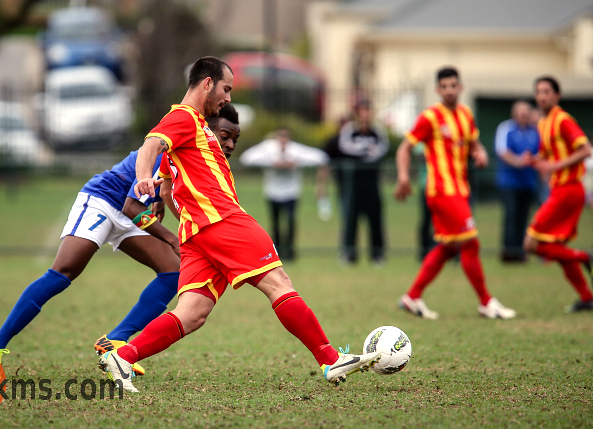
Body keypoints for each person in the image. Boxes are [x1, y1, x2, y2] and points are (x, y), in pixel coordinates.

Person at [98, 56, 382, 392]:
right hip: (222, 220)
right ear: (207, 83)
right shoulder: (184, 118)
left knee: (192, 313)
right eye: (226, 88)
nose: (229, 97)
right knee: (279, 282)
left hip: (196, 234)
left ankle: (124, 356)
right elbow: (151, 145)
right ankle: (331, 359)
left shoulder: (198, 125)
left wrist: (162, 193)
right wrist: (144, 177)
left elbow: (169, 178)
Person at [0, 104, 242, 379]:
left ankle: (114, 341)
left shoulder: (203, 159)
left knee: (172, 272)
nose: (230, 144)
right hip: (104, 202)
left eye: (235, 139)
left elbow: (166, 188)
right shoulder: (174, 144)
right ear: (205, 131)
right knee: (64, 272)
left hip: (134, 212)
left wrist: (160, 201)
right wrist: (173, 239)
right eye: (224, 136)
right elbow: (131, 204)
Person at [393, 66, 516, 320]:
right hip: (441, 190)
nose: (449, 90)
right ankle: (486, 302)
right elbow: (404, 148)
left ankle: (412, 297)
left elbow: (473, 142)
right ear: (438, 90)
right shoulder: (430, 117)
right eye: (444, 86)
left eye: (453, 85)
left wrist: (479, 153)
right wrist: (404, 177)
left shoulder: (465, 114)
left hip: (460, 189)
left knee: (449, 247)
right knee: (471, 242)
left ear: (460, 88)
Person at [523, 76, 593, 313]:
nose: (542, 96)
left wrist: (555, 167)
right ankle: (587, 298)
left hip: (568, 190)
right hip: (559, 189)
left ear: (557, 95)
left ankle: (585, 257)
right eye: (538, 91)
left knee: (531, 244)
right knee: (558, 250)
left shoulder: (563, 120)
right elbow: (551, 159)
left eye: (547, 91)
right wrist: (536, 161)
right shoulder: (543, 123)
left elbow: (587, 150)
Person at [239, 128, 329, 260]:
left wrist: (296, 163)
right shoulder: (268, 148)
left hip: (291, 193)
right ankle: (277, 251)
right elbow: (246, 158)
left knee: (291, 222)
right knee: (275, 223)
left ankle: (291, 251)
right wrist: (272, 164)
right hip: (272, 192)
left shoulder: (295, 150)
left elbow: (320, 157)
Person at [324, 99, 389, 265]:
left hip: (372, 181)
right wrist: (365, 153)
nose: (365, 114)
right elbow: (345, 147)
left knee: (375, 217)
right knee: (350, 218)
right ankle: (348, 254)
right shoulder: (349, 130)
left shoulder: (377, 132)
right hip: (352, 182)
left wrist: (364, 155)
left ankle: (377, 255)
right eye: (362, 110)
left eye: (368, 110)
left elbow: (382, 150)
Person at [495, 101, 540, 262]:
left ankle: (521, 252)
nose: (524, 115)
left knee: (524, 217)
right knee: (511, 216)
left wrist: (533, 161)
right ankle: (509, 252)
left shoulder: (534, 131)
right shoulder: (506, 128)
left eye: (526, 112)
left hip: (528, 182)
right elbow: (502, 151)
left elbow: (541, 151)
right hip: (509, 182)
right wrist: (520, 162)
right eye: (520, 112)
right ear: (514, 113)